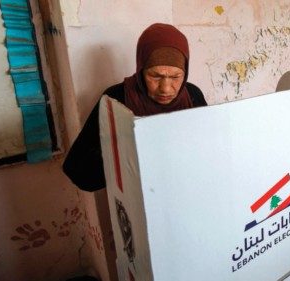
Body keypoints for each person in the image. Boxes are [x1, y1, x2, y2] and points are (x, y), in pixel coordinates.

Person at [63, 23, 207, 191]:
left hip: (188, 192)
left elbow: (209, 149)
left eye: (176, 76)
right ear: (141, 69)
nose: (166, 88)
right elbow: (77, 171)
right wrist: (128, 156)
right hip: (138, 200)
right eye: (155, 76)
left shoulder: (192, 96)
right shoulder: (116, 100)